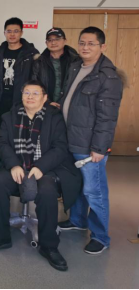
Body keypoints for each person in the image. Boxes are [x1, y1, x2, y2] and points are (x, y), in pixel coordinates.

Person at [0, 81, 83, 272]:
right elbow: (2, 143)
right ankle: (0, 236)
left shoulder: (54, 118)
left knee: (47, 191)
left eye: (35, 93)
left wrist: (41, 167)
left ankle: (49, 245)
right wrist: (13, 164)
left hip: (46, 169)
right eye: (26, 92)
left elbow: (60, 147)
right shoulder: (10, 116)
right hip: (17, 167)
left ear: (45, 98)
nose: (30, 96)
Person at [58, 27, 124, 256]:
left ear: (102, 46)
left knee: (94, 192)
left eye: (91, 43)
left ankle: (100, 236)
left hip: (89, 145)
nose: (85, 47)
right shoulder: (76, 66)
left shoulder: (108, 77)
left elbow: (107, 117)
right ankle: (78, 220)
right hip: (71, 139)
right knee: (77, 185)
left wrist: (99, 148)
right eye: (82, 43)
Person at [0, 18, 39, 127]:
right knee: (3, 130)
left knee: (22, 131)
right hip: (2, 99)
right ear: (4, 33)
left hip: (23, 100)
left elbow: (36, 78)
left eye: (16, 31)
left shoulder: (31, 54)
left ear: (21, 33)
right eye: (9, 31)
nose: (12, 34)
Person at [32, 28, 80, 108]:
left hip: (70, 106)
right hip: (46, 106)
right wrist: (47, 102)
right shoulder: (39, 62)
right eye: (50, 40)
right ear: (46, 43)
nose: (53, 42)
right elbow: (35, 84)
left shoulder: (76, 61)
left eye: (57, 39)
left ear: (65, 41)